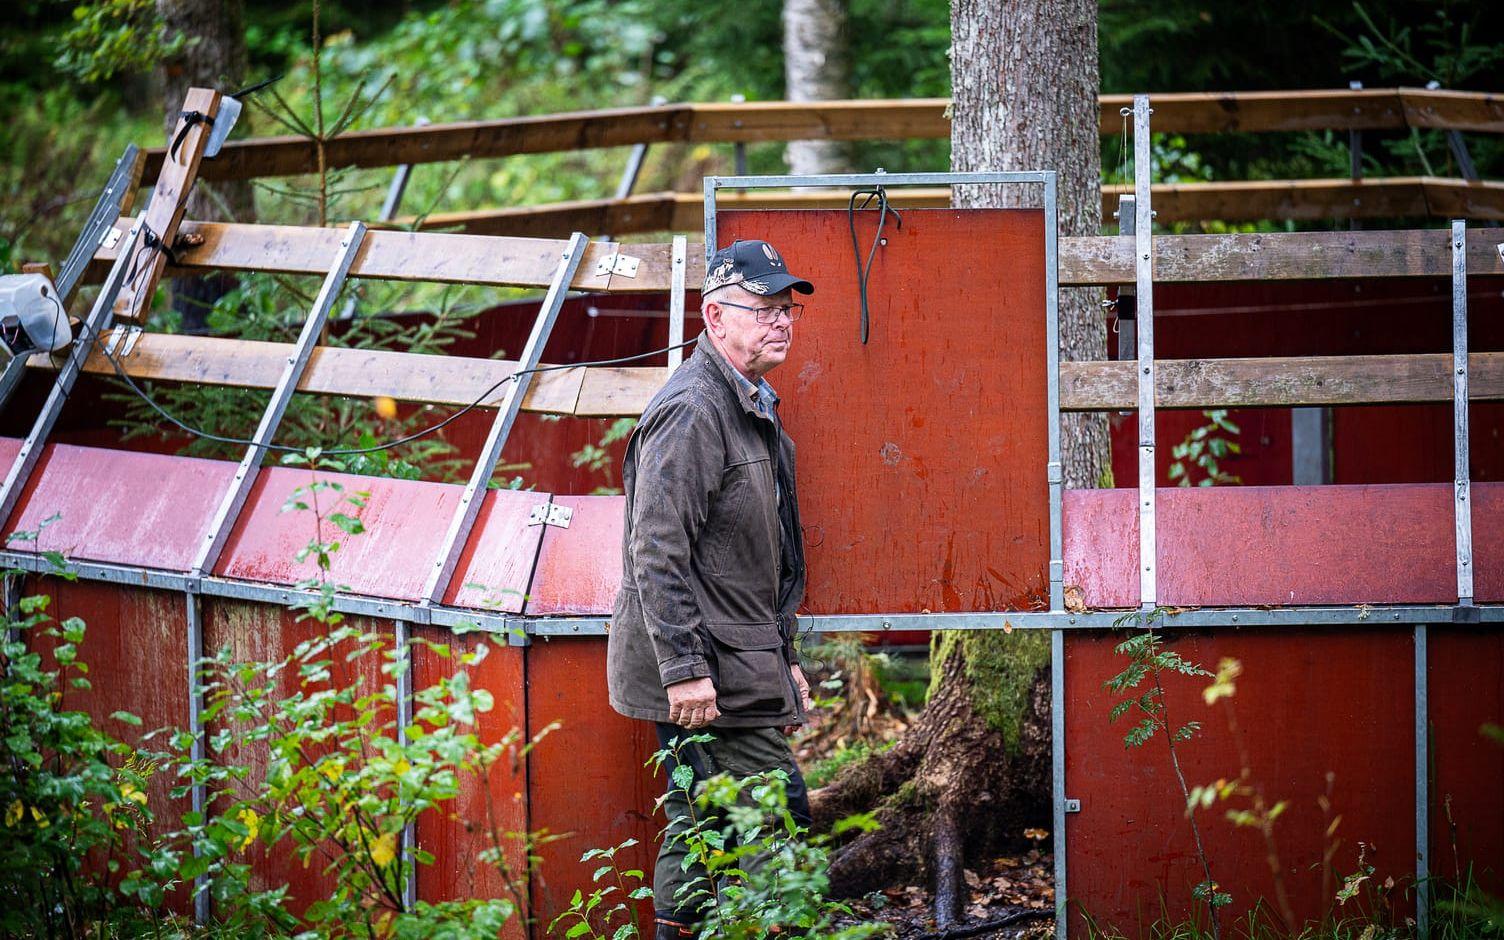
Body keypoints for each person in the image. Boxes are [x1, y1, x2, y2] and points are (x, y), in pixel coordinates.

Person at [607, 239, 817, 939]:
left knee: (703, 818)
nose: (780, 322)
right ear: (714, 317)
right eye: (763, 309)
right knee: (775, 812)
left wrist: (783, 655)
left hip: (738, 655)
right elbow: (656, 550)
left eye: (786, 310)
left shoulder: (750, 401)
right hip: (703, 668)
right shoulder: (696, 409)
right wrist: (686, 672)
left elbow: (759, 558)